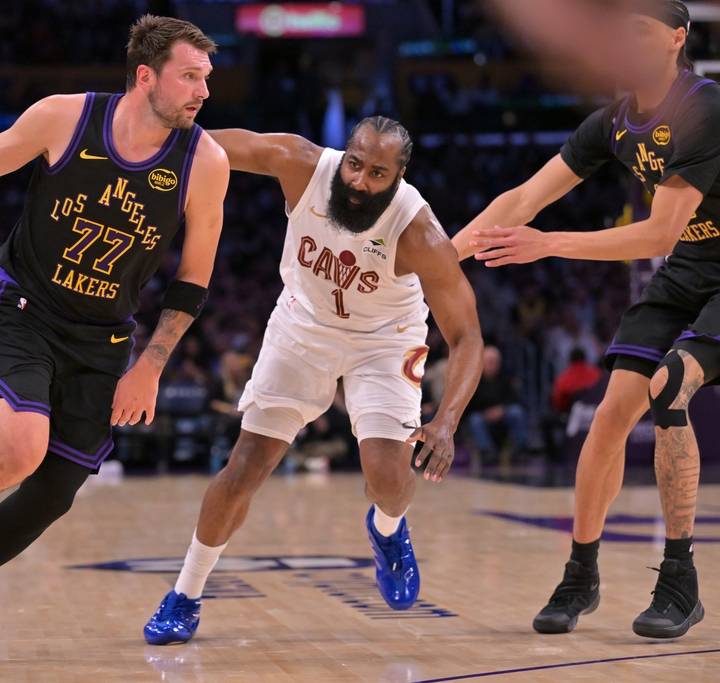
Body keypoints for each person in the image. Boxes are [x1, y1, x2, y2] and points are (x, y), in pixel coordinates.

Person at [0, 15, 229, 666]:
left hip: (105, 339)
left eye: (207, 77)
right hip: (27, 309)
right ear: (146, 76)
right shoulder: (66, 117)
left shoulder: (205, 161)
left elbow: (192, 279)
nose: (204, 91)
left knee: (51, 495)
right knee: (19, 450)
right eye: (190, 76)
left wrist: (149, 366)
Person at [143, 117, 484, 645]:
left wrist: (447, 421)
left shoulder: (419, 233)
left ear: (398, 176)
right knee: (245, 466)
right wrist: (146, 137)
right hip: (302, 325)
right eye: (355, 164)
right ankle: (185, 593)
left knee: (389, 478)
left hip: (385, 340)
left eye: (377, 173)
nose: (359, 180)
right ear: (343, 155)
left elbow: (467, 338)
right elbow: (209, 147)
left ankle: (388, 529)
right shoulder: (301, 166)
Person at [457, 1, 718, 638]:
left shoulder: (704, 107)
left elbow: (658, 232)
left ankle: (680, 582)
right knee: (608, 418)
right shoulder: (614, 122)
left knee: (670, 385)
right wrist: (436, 262)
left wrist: (548, 243)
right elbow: (524, 198)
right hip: (689, 270)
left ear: (677, 39)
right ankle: (581, 574)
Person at [465, 346, 527, 461]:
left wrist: (502, 409)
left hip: (503, 414)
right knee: (475, 419)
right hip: (482, 415)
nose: (492, 365)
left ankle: (521, 449)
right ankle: (487, 452)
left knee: (516, 412)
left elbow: (515, 399)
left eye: (495, 362)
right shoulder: (473, 381)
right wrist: (485, 413)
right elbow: (468, 406)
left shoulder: (506, 378)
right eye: (489, 361)